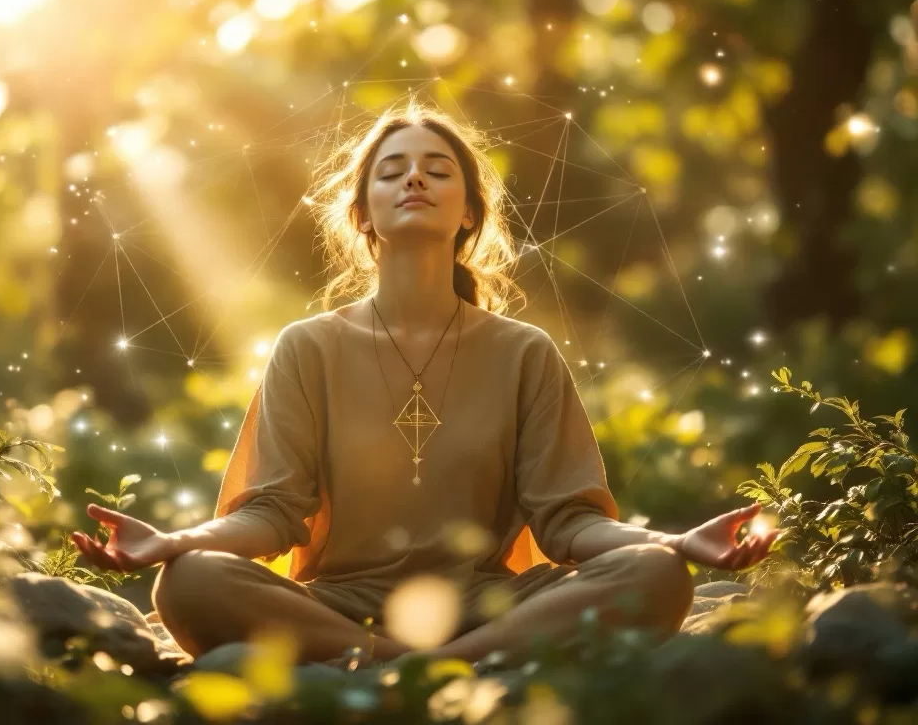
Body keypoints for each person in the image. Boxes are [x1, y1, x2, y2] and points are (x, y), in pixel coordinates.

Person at [71, 102, 778, 665]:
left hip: (489, 603)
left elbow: (568, 523)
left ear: (468, 211)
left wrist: (679, 545)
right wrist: (172, 542)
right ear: (362, 214)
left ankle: (420, 665)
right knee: (190, 582)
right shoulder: (307, 346)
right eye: (393, 170)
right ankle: (412, 661)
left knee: (656, 578)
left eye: (438, 170)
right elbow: (273, 516)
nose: (415, 179)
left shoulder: (523, 352)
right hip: (343, 604)